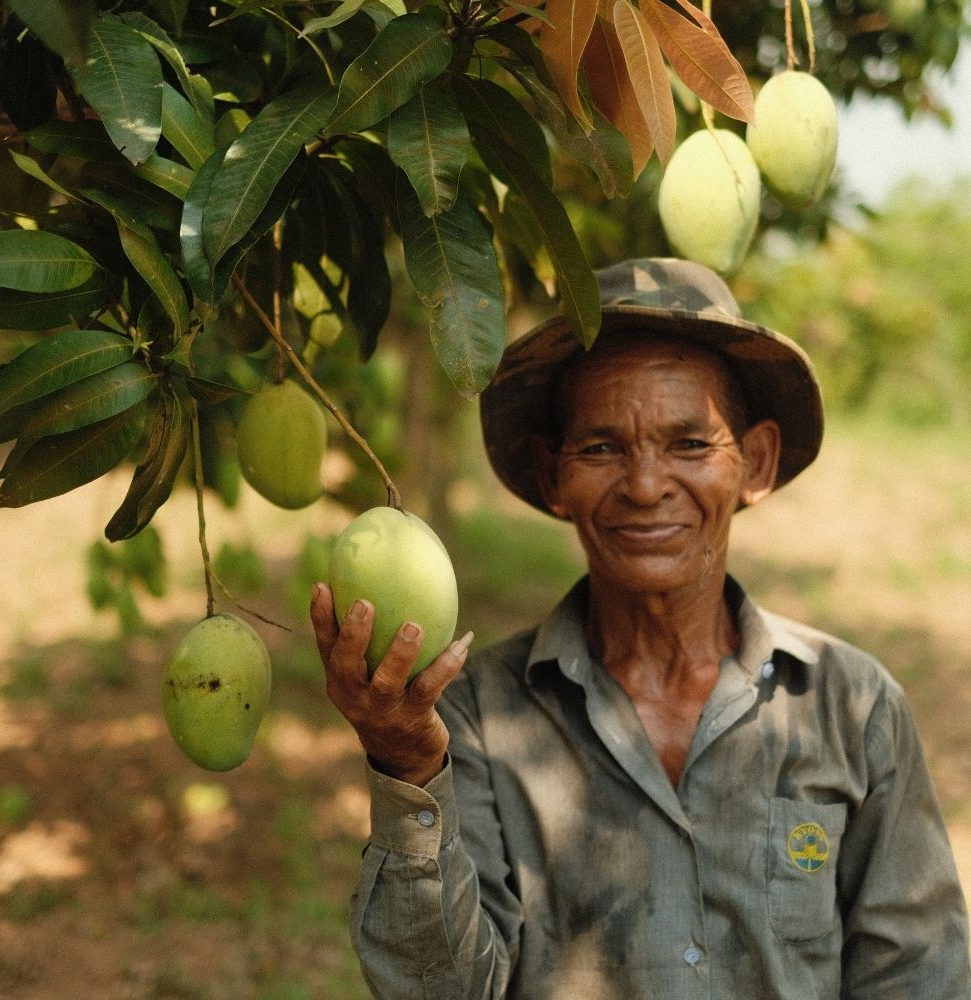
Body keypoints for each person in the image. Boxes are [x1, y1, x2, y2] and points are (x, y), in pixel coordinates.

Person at [310, 257, 971, 999]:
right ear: (552, 473)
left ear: (754, 464)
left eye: (690, 445)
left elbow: (919, 976)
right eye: (600, 448)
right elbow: (438, 989)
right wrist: (405, 766)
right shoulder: (475, 718)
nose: (647, 485)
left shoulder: (853, 707)